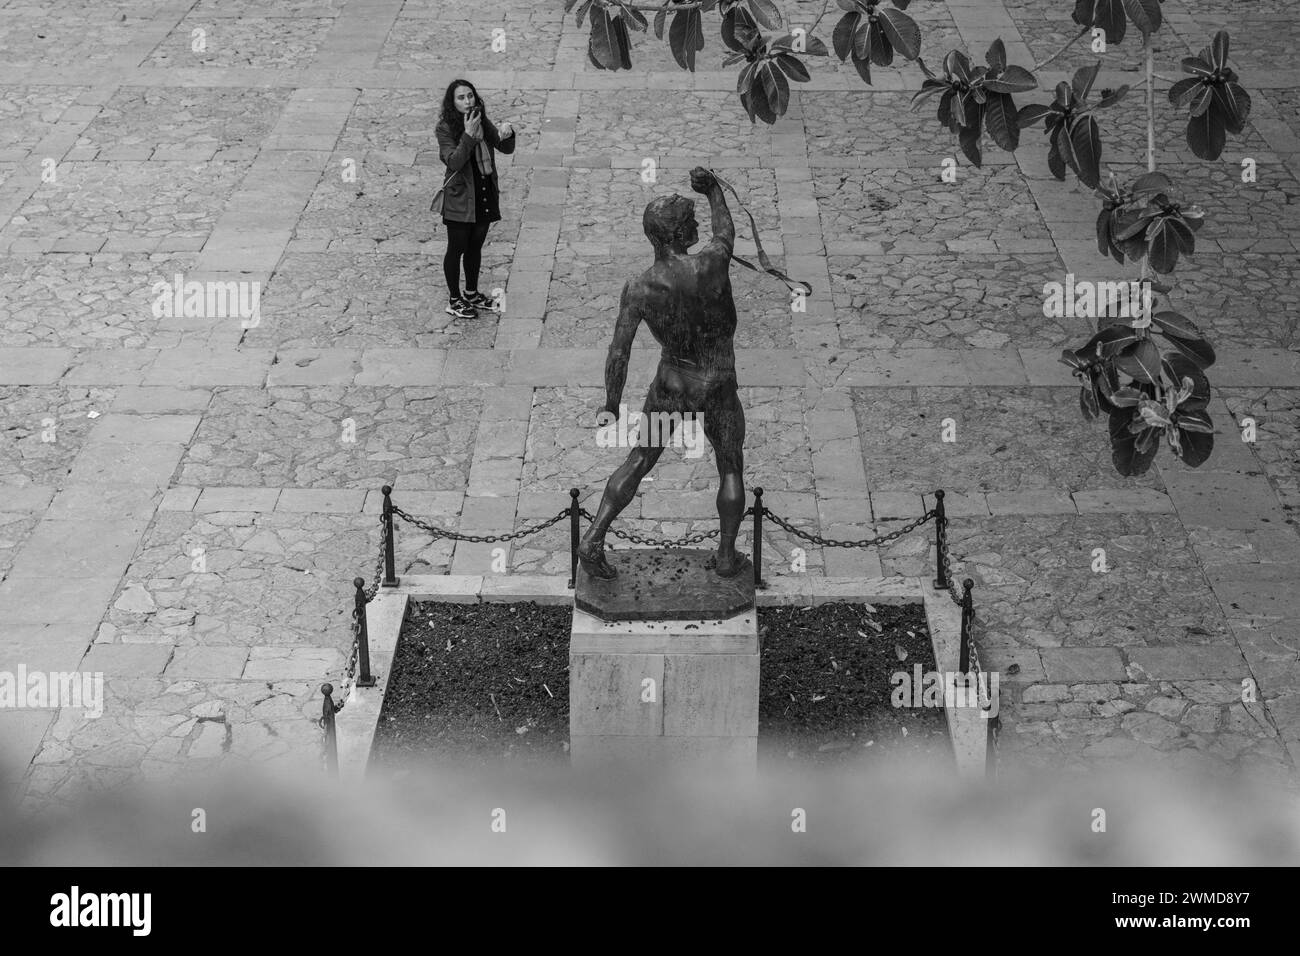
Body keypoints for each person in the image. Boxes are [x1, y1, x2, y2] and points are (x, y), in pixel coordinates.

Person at [577, 167, 747, 580]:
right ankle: (726, 556)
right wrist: (712, 191)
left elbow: (620, 351)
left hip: (673, 383)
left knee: (641, 457)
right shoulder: (711, 264)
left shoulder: (639, 288)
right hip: (718, 382)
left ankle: (594, 538)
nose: (697, 226)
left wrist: (611, 404)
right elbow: (726, 230)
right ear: (674, 235)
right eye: (690, 222)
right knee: (730, 466)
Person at [435, 79, 516, 320]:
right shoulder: (445, 128)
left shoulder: (480, 119)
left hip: (483, 193)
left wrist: (507, 134)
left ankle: (471, 293)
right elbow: (454, 161)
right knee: (457, 248)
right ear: (453, 102)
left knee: (475, 246)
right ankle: (454, 298)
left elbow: (504, 147)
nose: (467, 101)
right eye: (461, 97)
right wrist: (469, 136)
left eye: (470, 95)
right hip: (460, 198)